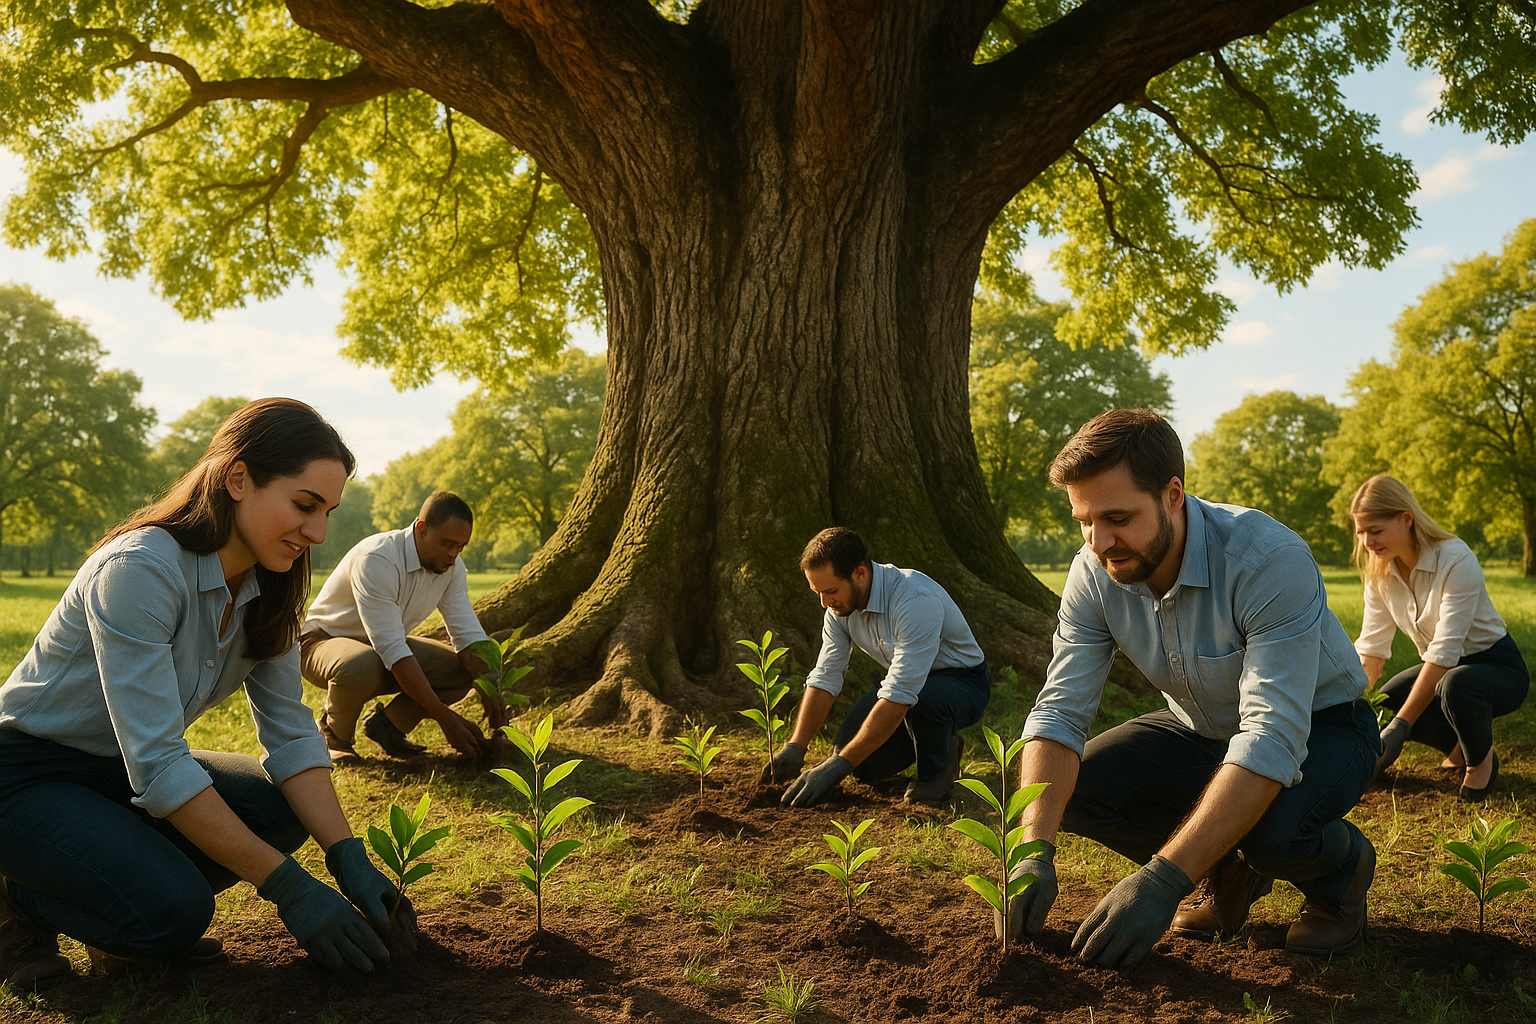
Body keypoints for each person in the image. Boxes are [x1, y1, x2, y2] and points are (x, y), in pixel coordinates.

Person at [0, 398, 411, 990]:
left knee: (277, 808)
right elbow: (160, 761)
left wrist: (345, 853)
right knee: (173, 913)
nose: (318, 532)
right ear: (237, 478)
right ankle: (19, 901)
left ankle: (117, 899)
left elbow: (292, 734)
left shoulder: (268, 587)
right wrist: (290, 890)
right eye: (303, 505)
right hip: (25, 777)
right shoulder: (140, 570)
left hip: (117, 773)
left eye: (327, 511)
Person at [1004, 409, 1379, 969]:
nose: (1099, 541)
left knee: (1274, 837)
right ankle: (1227, 871)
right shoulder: (1093, 571)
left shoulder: (1266, 560)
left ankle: (1340, 872)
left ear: (1173, 494)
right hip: (1200, 725)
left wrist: (1164, 879)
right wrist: (1032, 848)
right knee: (1066, 794)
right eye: (1083, 520)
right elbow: (1058, 713)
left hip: (1323, 725)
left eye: (1117, 517)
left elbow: (1273, 734)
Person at [767, 527, 990, 807]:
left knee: (924, 702)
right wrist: (796, 745)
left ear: (860, 574)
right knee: (859, 762)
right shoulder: (837, 610)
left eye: (831, 591)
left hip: (962, 683)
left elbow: (901, 693)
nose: (825, 602)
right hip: (909, 687)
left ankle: (937, 773)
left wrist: (836, 766)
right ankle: (934, 739)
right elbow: (826, 676)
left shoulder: (914, 600)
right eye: (818, 593)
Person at [1351, 475, 1529, 801]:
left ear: (1406, 519)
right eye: (1361, 531)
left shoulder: (1455, 558)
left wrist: (1401, 728)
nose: (1367, 542)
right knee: (1388, 704)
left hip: (1496, 666)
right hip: (1444, 666)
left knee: (1456, 685)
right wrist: (1350, 711)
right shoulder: (1379, 573)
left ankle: (1480, 760)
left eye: (1375, 531)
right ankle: (1458, 748)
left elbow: (1446, 650)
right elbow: (1372, 651)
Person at [301, 491, 502, 760]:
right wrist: (445, 718)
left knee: (462, 669)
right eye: (447, 544)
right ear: (421, 529)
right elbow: (393, 649)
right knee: (360, 664)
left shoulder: (452, 569)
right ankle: (333, 736)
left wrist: (493, 692)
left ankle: (388, 727)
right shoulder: (378, 558)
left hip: (377, 647)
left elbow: (468, 637)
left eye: (461, 547)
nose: (453, 554)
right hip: (322, 643)